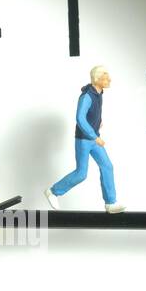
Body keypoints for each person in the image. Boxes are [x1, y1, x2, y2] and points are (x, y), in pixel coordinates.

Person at [44, 65, 126, 213]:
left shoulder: (99, 94)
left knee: (107, 166)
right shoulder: (87, 95)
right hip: (84, 140)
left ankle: (110, 203)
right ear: (97, 78)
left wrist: (97, 122)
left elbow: (91, 114)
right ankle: (53, 191)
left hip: (94, 139)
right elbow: (80, 119)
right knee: (81, 174)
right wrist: (94, 136)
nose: (109, 79)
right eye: (106, 77)